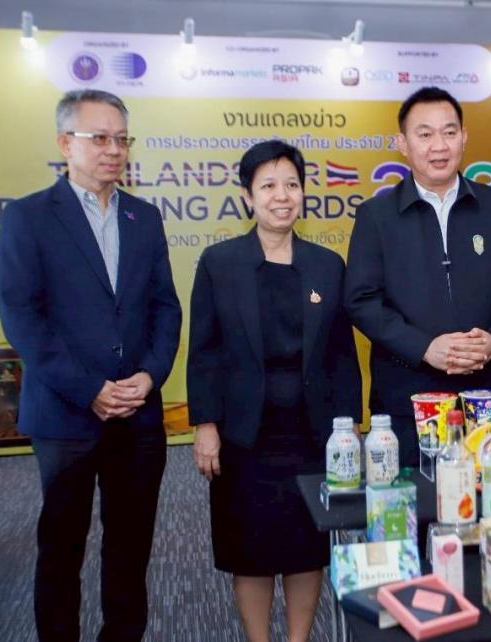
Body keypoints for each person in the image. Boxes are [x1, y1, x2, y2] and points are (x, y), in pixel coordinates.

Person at [0, 89, 181, 642]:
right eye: (99, 137)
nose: (113, 150)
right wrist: (89, 388)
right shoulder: (28, 217)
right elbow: (22, 317)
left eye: (121, 139)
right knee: (61, 548)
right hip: (66, 415)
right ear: (64, 143)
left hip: (138, 414)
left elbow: (165, 307)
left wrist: (150, 375)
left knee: (131, 547)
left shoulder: (144, 217)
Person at [188, 140, 361, 642]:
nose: (281, 196)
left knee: (307, 547)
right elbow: (204, 350)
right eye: (267, 186)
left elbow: (342, 356)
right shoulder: (219, 263)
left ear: (303, 193)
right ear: (248, 196)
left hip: (312, 432)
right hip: (244, 433)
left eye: (291, 185)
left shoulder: (326, 265)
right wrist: (205, 425)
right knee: (251, 549)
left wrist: (348, 429)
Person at [344, 86, 491, 465]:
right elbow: (361, 301)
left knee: (490, 497)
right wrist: (424, 347)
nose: (439, 146)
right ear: (402, 143)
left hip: (486, 398)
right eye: (425, 134)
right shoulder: (376, 216)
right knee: (411, 499)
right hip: (407, 399)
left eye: (449, 132)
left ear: (464, 137)